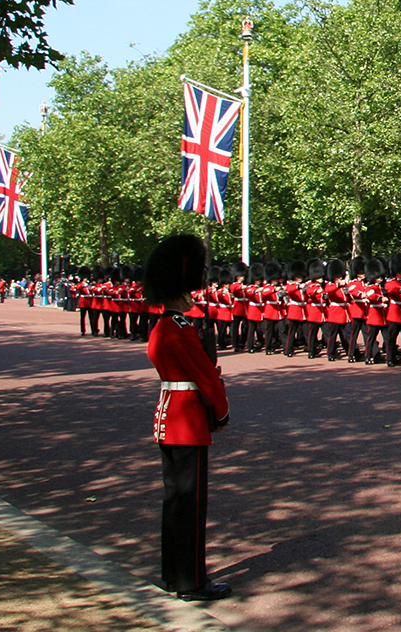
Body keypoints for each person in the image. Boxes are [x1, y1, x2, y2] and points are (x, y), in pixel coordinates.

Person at [144, 233, 232, 602]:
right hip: (189, 421)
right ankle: (191, 581)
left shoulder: (162, 327)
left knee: (174, 503)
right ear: (182, 290)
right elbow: (207, 379)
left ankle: (172, 574)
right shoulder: (181, 330)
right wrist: (222, 412)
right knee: (191, 506)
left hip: (167, 416)